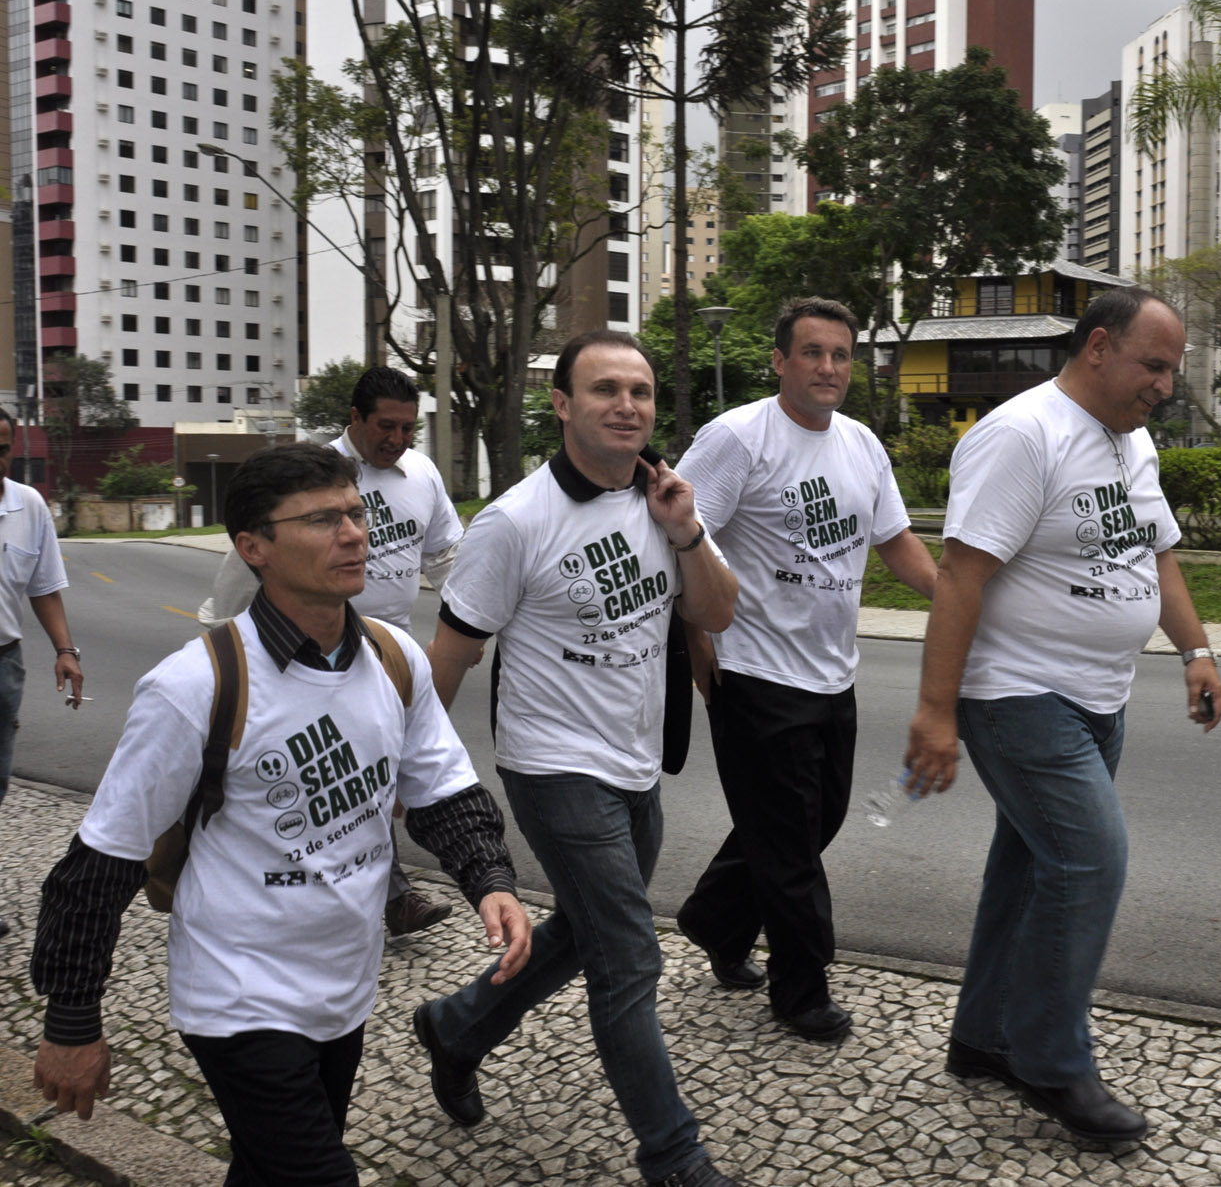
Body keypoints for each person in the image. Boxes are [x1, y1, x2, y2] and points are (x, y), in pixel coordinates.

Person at [30, 441, 530, 1186]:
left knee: (267, 1171)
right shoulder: (194, 686)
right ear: (253, 546)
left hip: (343, 983)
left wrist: (489, 878)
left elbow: (441, 788)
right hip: (238, 993)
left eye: (357, 514)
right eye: (323, 519)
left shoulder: (395, 658)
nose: (355, 533)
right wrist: (73, 1021)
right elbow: (100, 863)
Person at [412, 330, 745, 1187]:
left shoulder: (660, 498)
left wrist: (688, 529)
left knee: (586, 933)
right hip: (554, 767)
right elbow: (450, 656)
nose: (626, 404)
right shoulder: (514, 523)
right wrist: (411, 777)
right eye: (604, 389)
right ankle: (674, 1155)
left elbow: (716, 613)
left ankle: (457, 1026)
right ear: (561, 404)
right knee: (630, 956)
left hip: (635, 764)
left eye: (638, 389)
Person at [903, 287, 1221, 1145]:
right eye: (1152, 365)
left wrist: (1195, 650)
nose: (1164, 384)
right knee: (1088, 862)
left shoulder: (1131, 441)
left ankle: (981, 1036)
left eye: (1171, 370)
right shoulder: (1021, 434)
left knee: (1030, 866)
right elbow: (961, 575)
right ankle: (1051, 1060)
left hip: (1097, 696)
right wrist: (936, 711)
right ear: (1095, 349)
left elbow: (1155, 554)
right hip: (1016, 691)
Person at [673, 297, 937, 1044]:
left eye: (841, 354)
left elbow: (896, 542)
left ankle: (713, 917)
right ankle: (800, 984)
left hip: (830, 671)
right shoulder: (736, 437)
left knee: (814, 819)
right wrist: (702, 656)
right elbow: (680, 539)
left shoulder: (860, 444)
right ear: (780, 360)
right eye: (813, 352)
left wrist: (957, 600)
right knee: (789, 844)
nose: (828, 367)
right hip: (754, 672)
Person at [199, 366, 464, 936]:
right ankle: (361, 892)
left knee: (380, 777)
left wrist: (474, 619)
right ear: (354, 420)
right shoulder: (310, 478)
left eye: (407, 429)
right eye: (384, 427)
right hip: (310, 652)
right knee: (342, 777)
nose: (397, 440)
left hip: (389, 655)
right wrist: (222, 650)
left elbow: (445, 559)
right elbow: (244, 570)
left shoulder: (421, 475)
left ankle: (374, 890)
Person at [0, 406, 85, 939]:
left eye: (2, 445)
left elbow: (43, 588)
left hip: (3, 664)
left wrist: (66, 650)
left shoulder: (28, 506)